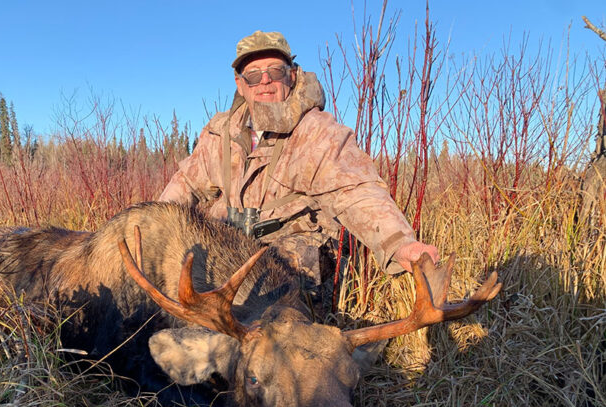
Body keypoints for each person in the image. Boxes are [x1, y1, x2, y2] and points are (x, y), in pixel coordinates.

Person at [159, 30, 439, 296]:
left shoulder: (317, 132)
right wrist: (151, 228)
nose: (265, 80)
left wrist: (400, 244)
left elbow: (356, 192)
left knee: (270, 291)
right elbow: (186, 183)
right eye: (254, 75)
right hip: (232, 243)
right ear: (240, 84)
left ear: (291, 75)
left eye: (275, 71)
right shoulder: (220, 131)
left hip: (293, 251)